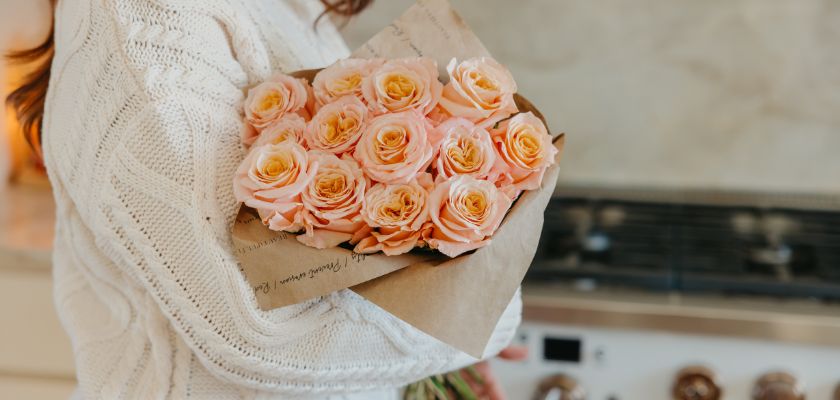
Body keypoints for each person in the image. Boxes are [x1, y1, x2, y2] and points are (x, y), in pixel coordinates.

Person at [6, 0, 525, 398]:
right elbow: (256, 327)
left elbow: (337, 277)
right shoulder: (145, 25)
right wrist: (479, 315)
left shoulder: (290, 7)